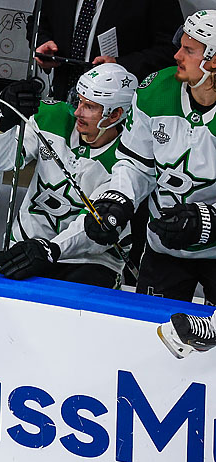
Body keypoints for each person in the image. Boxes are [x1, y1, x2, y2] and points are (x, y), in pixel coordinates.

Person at [84, 10, 216, 303]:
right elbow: (134, 164)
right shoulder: (154, 89)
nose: (176, 55)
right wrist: (116, 199)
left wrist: (209, 219)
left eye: (189, 50)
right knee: (151, 333)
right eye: (180, 45)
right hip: (163, 247)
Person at [0, 64, 138, 288]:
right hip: (27, 247)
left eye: (90, 107)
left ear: (115, 114)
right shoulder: (51, 117)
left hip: (90, 262)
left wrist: (50, 250)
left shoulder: (130, 158)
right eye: (79, 101)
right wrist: (4, 121)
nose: (77, 112)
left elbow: (90, 228)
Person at [35, 0, 182, 102]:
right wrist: (43, 44)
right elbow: (37, 23)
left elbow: (171, 49)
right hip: (62, 97)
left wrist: (120, 65)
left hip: (118, 108)